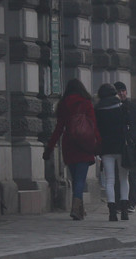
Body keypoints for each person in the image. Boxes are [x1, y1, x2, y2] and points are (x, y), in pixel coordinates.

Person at [43, 79, 101, 221]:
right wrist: (99, 143)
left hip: (69, 143)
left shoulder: (63, 104)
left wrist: (49, 147)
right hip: (84, 143)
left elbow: (58, 128)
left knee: (75, 178)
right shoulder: (86, 102)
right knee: (80, 179)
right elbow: (93, 125)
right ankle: (76, 208)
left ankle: (79, 209)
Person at [94, 83, 130, 221]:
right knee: (123, 178)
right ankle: (125, 210)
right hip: (121, 147)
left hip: (106, 148)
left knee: (109, 180)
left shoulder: (98, 109)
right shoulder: (121, 106)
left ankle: (112, 212)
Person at [114, 81, 136, 213]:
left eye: (123, 91)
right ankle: (119, 202)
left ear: (126, 92)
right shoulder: (115, 108)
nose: (121, 93)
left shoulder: (135, 108)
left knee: (131, 176)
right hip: (119, 145)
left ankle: (131, 203)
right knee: (119, 176)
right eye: (119, 91)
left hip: (133, 145)